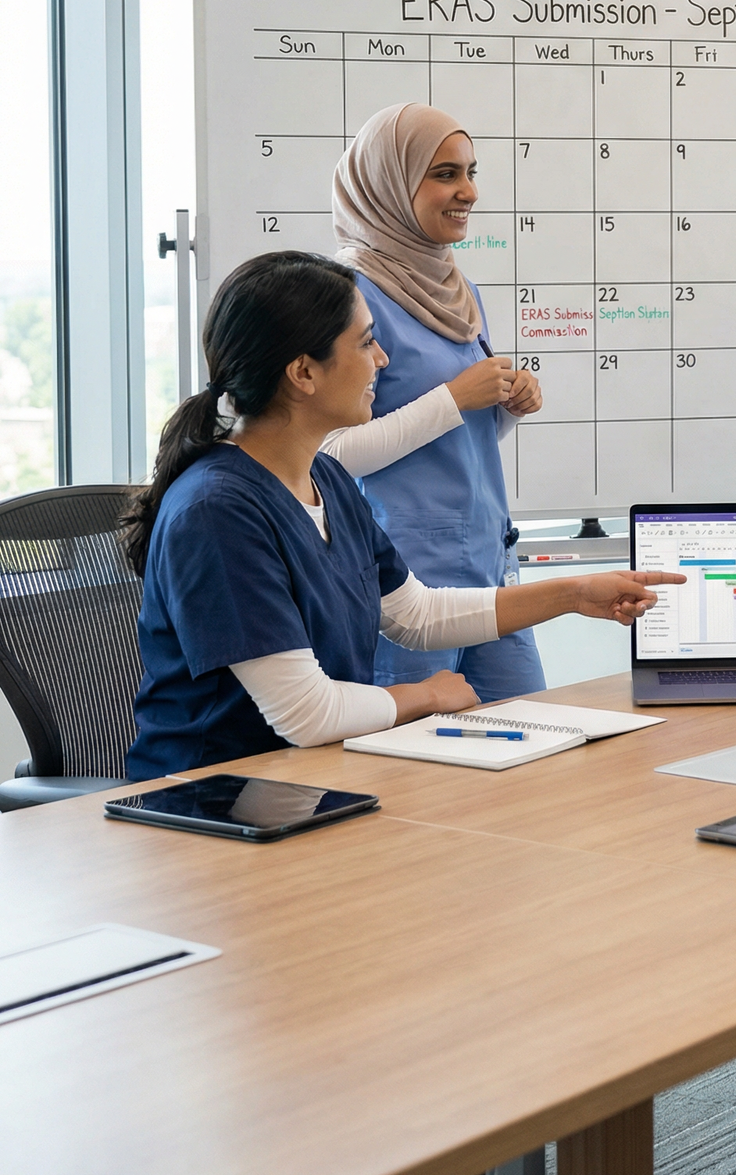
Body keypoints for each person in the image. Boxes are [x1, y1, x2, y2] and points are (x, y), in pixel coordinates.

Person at [123, 251, 682, 780]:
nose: (382, 360)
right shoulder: (218, 512)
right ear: (304, 373)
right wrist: (427, 695)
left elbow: (415, 614)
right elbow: (306, 714)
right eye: (367, 343)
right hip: (212, 799)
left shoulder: (326, 480)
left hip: (307, 783)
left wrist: (574, 594)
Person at [325, 102, 545, 704]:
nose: (468, 191)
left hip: (489, 564)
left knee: (535, 732)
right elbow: (327, 457)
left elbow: (458, 439)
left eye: (471, 172)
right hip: (404, 580)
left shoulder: (457, 287)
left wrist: (504, 406)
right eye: (445, 174)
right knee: (418, 756)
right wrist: (454, 396)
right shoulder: (345, 292)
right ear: (388, 185)